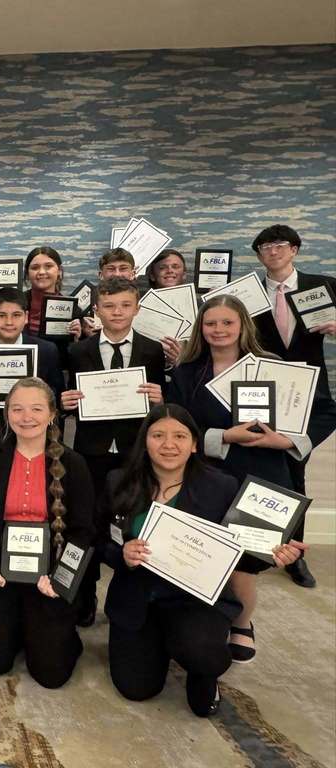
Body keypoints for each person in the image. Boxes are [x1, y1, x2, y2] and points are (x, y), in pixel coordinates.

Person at [98, 405, 299, 716]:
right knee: (136, 689)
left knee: (203, 656)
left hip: (195, 602)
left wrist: (274, 553)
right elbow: (100, 542)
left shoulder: (221, 487)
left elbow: (243, 555)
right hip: (138, 599)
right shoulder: (117, 481)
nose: (168, 444)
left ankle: (201, 671)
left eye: (179, 436)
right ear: (145, 441)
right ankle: (160, 644)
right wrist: (121, 554)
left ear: (194, 444)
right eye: (158, 435)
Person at [169, 295, 325, 661]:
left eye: (227, 323)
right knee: (202, 551)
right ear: (201, 328)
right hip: (207, 473)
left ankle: (242, 623)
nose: (219, 330)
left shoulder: (274, 366)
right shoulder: (187, 372)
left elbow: (320, 411)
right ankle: (197, 620)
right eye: (211, 323)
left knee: (245, 560)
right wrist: (224, 436)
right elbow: (178, 424)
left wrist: (284, 440)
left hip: (262, 475)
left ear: (243, 325)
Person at [0, 378, 94, 687]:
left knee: (51, 674)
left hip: (48, 575)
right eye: (17, 409)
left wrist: (61, 579)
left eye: (36, 408)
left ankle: (57, 632)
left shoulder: (74, 464)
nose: (26, 417)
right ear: (6, 413)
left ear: (51, 414)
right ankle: (15, 626)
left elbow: (84, 530)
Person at [60, 277, 166, 627]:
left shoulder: (152, 351)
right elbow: (69, 402)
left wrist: (159, 399)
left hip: (136, 452)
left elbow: (163, 409)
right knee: (88, 522)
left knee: (135, 522)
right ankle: (85, 593)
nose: (117, 312)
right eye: (109, 306)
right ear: (97, 310)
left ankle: (131, 595)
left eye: (124, 305)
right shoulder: (78, 351)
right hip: (91, 451)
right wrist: (67, 403)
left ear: (136, 308)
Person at [250, 224, 336, 588]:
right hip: (262, 391)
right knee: (256, 469)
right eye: (265, 247)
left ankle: (295, 554)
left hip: (309, 394)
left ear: (295, 249)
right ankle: (254, 548)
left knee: (295, 471)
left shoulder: (323, 285)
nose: (273, 251)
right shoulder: (249, 292)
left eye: (279, 245)